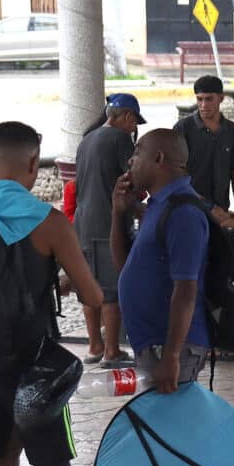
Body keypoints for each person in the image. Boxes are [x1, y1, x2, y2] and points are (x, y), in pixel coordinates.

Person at [0, 122, 102, 466]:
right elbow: (93, 295)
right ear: (31, 164)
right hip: (33, 368)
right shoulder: (49, 222)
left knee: (1, 457)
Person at [110, 129, 213, 466]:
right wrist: (119, 214)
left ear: (157, 157)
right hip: (156, 346)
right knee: (167, 443)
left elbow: (185, 291)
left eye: (135, 153)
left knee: (169, 449)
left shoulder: (185, 212)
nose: (129, 162)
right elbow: (124, 266)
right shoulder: (157, 207)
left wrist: (171, 356)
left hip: (176, 349)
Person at [73, 92, 144, 369]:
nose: (134, 128)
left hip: (82, 223)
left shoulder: (86, 140)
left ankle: (94, 346)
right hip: (108, 224)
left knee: (88, 287)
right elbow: (133, 180)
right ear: (127, 117)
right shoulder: (119, 139)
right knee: (112, 289)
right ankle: (112, 351)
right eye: (134, 122)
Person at [173, 75, 234, 228]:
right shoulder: (183, 128)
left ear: (221, 98)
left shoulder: (232, 131)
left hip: (221, 214)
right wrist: (209, 206)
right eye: (199, 99)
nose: (203, 105)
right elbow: (176, 174)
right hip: (189, 209)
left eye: (208, 99)